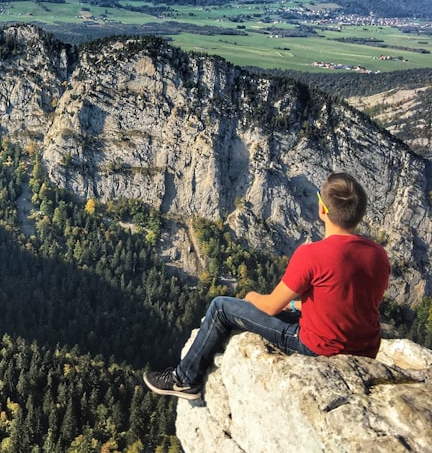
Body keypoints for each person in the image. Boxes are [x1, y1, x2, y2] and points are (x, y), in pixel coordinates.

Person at [144, 171, 391, 400]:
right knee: (291, 308)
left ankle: (184, 379)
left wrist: (252, 297)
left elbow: (271, 306)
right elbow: (347, 299)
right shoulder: (378, 254)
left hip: (317, 346)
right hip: (365, 349)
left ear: (322, 209)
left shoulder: (313, 254)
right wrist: (297, 305)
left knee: (220, 307)